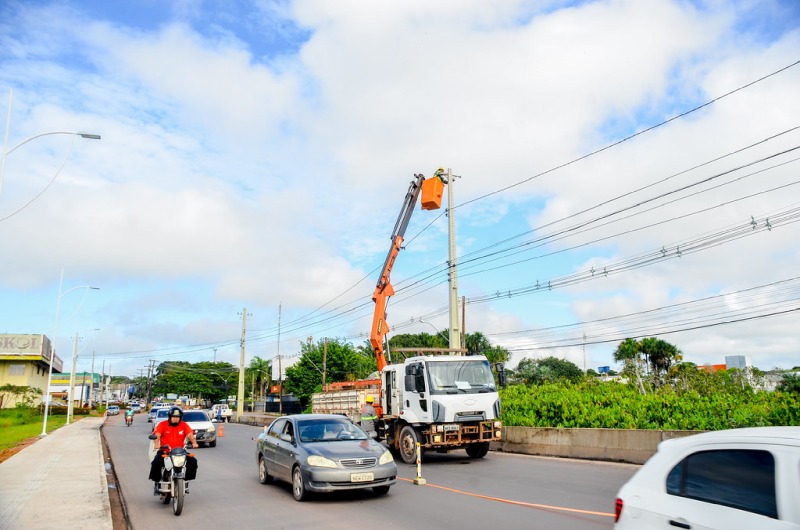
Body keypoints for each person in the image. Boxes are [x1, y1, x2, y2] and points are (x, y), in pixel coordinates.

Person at [148, 406, 199, 495]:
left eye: (177, 417)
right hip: (166, 452)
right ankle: (156, 483)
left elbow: (190, 434)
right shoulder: (162, 424)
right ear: (169, 417)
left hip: (180, 452)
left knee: (193, 462)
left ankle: (185, 482)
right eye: (174, 417)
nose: (176, 419)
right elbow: (157, 435)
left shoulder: (183, 425)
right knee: (156, 463)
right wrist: (156, 444)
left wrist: (194, 442)